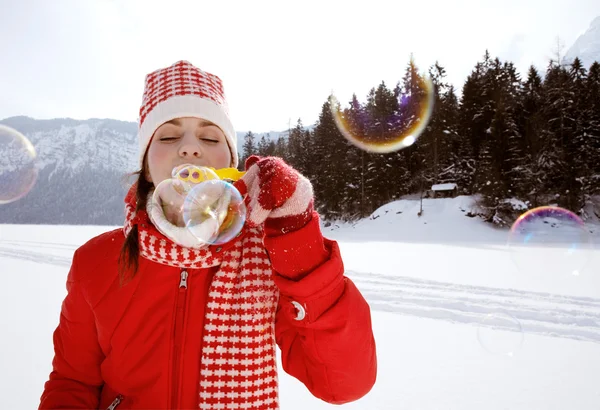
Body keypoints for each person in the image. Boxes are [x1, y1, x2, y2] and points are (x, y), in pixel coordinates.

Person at [39, 60, 377, 410]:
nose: (189, 148)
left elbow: (343, 384)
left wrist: (296, 236)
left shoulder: (266, 258)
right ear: (148, 166)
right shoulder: (95, 261)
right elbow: (72, 382)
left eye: (209, 136)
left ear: (229, 163)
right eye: (168, 136)